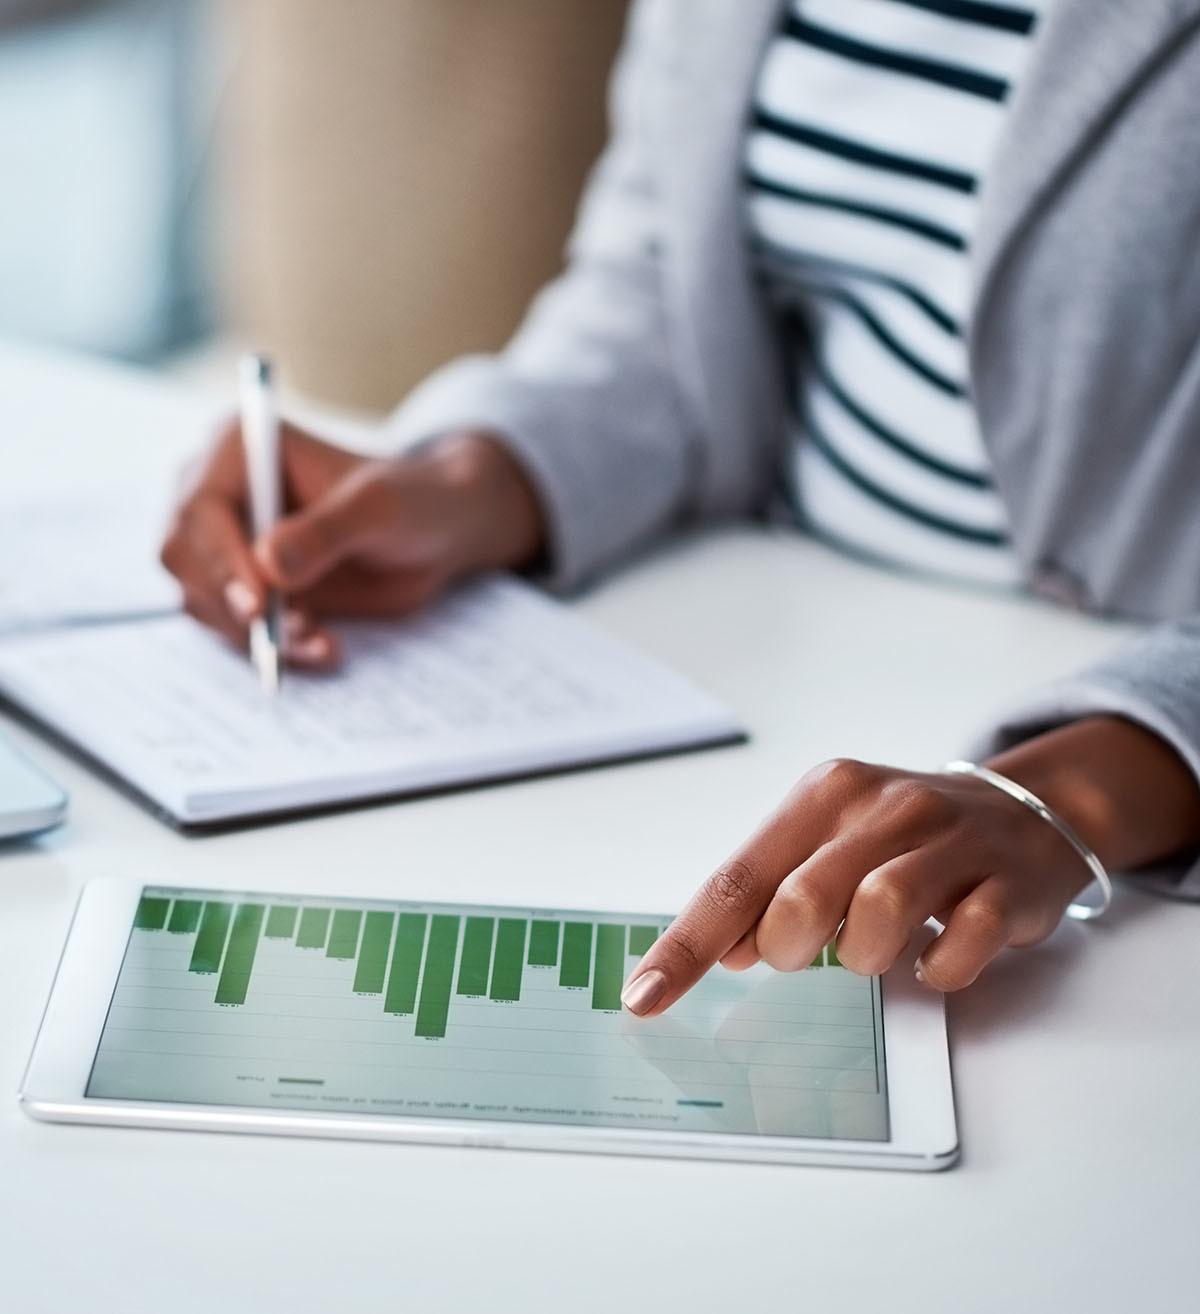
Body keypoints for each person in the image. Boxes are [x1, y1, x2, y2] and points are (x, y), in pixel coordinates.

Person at [162, 0, 1200, 1018]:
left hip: (1115, 728)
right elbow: (665, 283)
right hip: (774, 636)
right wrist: (478, 476)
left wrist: (1099, 782)